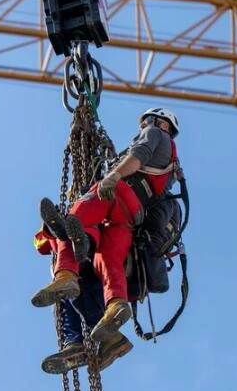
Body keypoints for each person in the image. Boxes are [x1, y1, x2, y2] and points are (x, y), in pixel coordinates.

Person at [30, 107, 180, 344]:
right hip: (130, 218)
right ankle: (116, 306)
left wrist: (114, 175)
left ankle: (66, 271)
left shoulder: (155, 134)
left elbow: (138, 155)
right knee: (106, 258)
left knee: (78, 214)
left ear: (164, 125)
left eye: (149, 121)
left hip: (122, 194)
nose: (144, 126)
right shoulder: (171, 168)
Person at [33, 228, 134, 374]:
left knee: (73, 289)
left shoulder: (94, 211)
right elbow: (40, 245)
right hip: (95, 267)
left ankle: (108, 338)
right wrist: (50, 228)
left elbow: (41, 245)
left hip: (97, 264)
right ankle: (86, 342)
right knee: (65, 296)